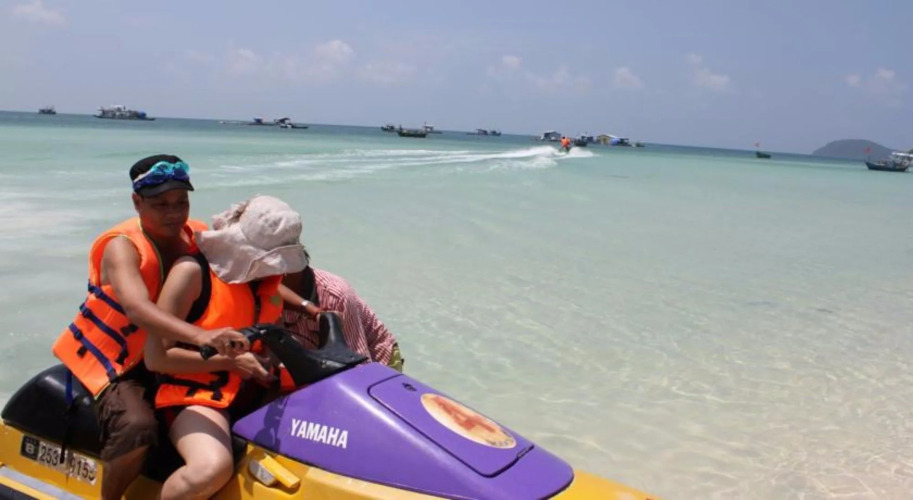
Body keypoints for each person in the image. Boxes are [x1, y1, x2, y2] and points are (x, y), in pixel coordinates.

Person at [50, 154, 250, 500]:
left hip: (165, 353)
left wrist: (308, 303)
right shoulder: (122, 247)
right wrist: (202, 336)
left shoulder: (195, 234)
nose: (174, 213)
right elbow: (137, 308)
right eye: (161, 205)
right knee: (137, 427)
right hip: (118, 364)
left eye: (181, 202)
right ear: (136, 202)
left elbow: (242, 267)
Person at [144, 195, 308, 500]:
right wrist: (230, 363)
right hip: (194, 396)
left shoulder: (265, 280)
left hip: (250, 389)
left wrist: (273, 360)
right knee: (211, 468)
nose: (277, 269)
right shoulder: (191, 274)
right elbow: (156, 358)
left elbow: (267, 335)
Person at [280, 251, 404, 375]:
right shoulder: (271, 295)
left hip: (376, 360)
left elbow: (357, 363)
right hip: (317, 359)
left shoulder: (335, 295)